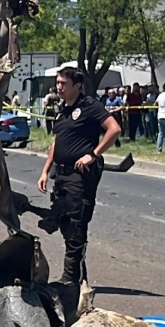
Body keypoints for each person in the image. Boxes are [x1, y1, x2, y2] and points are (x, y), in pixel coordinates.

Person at [38, 67, 121, 286]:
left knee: (76, 225)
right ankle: (78, 276)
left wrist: (93, 155)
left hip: (81, 176)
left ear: (77, 86)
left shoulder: (90, 106)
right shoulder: (62, 109)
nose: (59, 87)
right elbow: (57, 142)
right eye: (58, 83)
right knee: (65, 223)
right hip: (61, 175)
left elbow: (114, 129)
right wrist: (46, 170)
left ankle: (70, 280)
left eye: (64, 84)